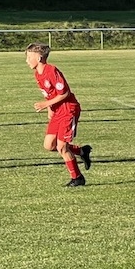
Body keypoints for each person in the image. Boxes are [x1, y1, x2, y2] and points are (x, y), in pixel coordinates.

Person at [25, 43, 92, 187]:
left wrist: (45, 104)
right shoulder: (37, 74)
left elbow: (65, 93)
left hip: (68, 110)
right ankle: (82, 151)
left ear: (39, 58)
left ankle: (77, 178)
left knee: (62, 147)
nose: (27, 60)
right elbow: (49, 93)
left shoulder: (52, 70)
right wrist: (50, 109)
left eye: (29, 57)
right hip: (58, 111)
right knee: (49, 145)